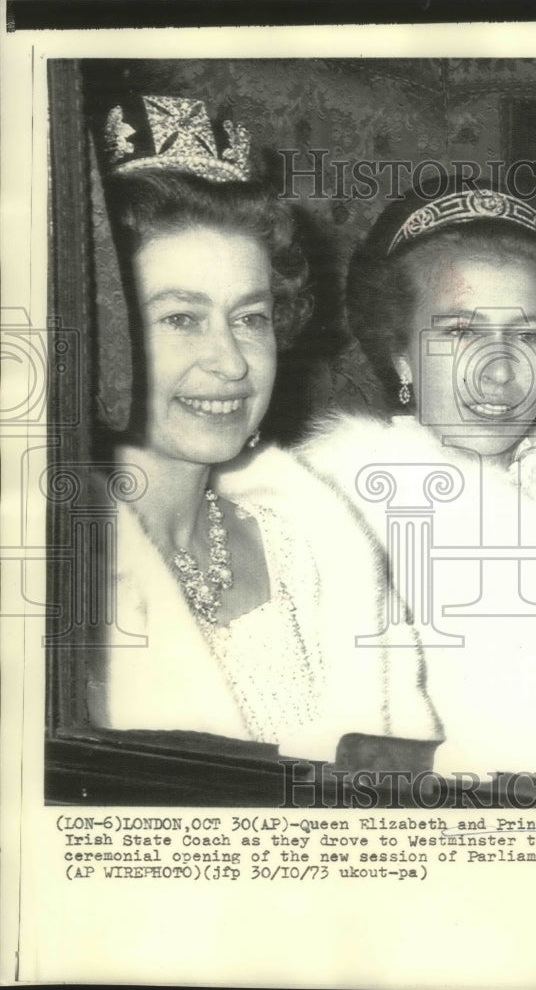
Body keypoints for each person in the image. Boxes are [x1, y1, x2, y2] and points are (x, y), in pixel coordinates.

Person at [87, 95, 441, 766]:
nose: (230, 361)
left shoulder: (317, 545)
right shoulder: (57, 574)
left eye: (250, 318)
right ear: (106, 333)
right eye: (181, 319)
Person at [298, 181, 536, 786]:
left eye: (528, 335)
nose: (499, 371)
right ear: (400, 356)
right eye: (460, 333)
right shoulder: (346, 530)